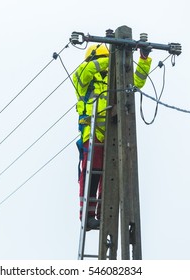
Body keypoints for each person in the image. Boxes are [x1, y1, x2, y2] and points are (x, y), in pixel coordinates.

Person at [73, 43, 152, 230]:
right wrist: (112, 59)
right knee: (91, 176)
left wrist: (143, 59)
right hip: (91, 134)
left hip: (112, 132)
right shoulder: (84, 75)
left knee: (109, 177)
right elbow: (86, 70)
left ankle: (103, 216)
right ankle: (87, 216)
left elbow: (136, 82)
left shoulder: (113, 78)